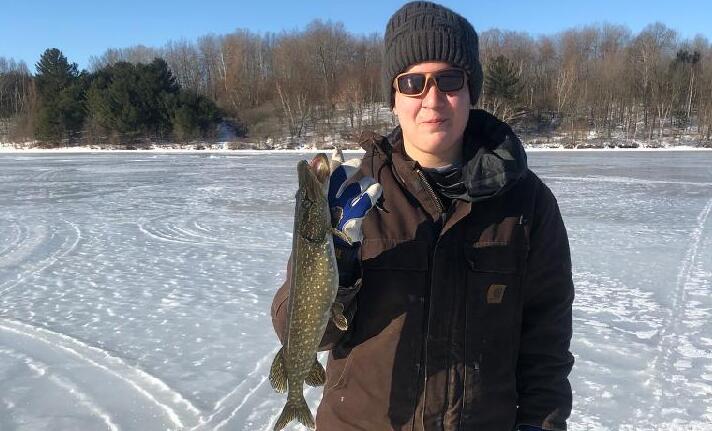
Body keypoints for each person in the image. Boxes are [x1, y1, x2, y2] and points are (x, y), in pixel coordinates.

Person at [271, 1, 574, 430]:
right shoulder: (349, 199)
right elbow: (302, 333)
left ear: (471, 91)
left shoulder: (527, 205)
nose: (432, 99)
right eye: (413, 82)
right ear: (394, 98)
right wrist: (336, 258)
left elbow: (546, 344)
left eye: (450, 80)